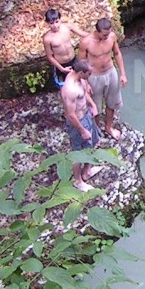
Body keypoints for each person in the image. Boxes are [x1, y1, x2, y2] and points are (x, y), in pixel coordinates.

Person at [79, 17, 127, 138]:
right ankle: (96, 131)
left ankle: (109, 127)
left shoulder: (112, 37)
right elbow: (81, 64)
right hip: (93, 76)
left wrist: (122, 73)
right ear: (98, 31)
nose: (107, 36)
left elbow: (116, 53)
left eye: (109, 32)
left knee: (112, 103)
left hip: (110, 72)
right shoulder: (86, 42)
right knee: (96, 107)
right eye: (104, 34)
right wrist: (86, 83)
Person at [61, 59, 101, 191]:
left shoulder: (80, 79)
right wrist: (82, 130)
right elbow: (70, 114)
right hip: (78, 122)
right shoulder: (70, 90)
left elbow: (83, 94)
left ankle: (87, 171)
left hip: (87, 115)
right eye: (88, 74)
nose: (90, 76)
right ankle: (78, 181)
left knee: (94, 142)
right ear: (81, 73)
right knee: (77, 153)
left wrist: (92, 104)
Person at [43, 8, 79, 87]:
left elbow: (82, 33)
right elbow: (50, 57)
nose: (55, 25)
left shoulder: (67, 27)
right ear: (48, 23)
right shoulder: (47, 38)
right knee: (65, 86)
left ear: (60, 19)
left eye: (57, 22)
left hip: (74, 60)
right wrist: (61, 69)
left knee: (79, 81)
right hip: (61, 65)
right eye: (51, 23)